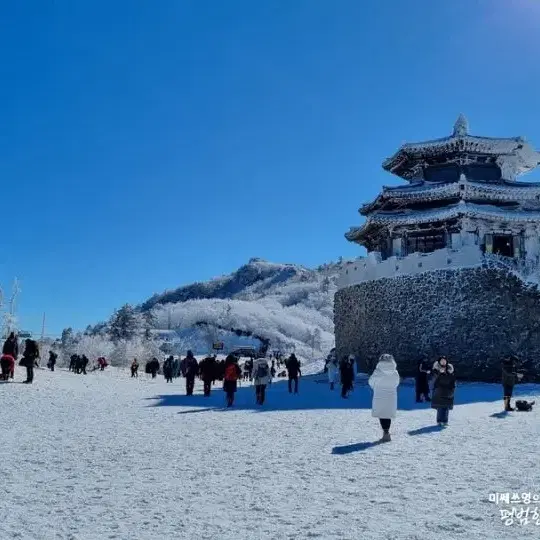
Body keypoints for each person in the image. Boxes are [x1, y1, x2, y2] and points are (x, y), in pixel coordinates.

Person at [368, 354, 400, 442]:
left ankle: (385, 433)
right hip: (391, 396)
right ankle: (387, 432)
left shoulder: (377, 371)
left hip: (379, 395)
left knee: (382, 414)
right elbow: (396, 383)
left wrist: (375, 387)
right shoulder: (395, 372)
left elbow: (371, 382)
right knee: (388, 414)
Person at [431, 357, 456, 426]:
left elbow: (452, 379)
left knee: (446, 407)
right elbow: (434, 378)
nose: (443, 362)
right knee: (440, 407)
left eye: (444, 361)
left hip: (448, 390)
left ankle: (445, 421)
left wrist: (453, 388)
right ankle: (439, 421)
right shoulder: (435, 370)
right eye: (442, 361)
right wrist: (439, 373)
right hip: (439, 391)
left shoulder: (450, 370)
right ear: (439, 362)